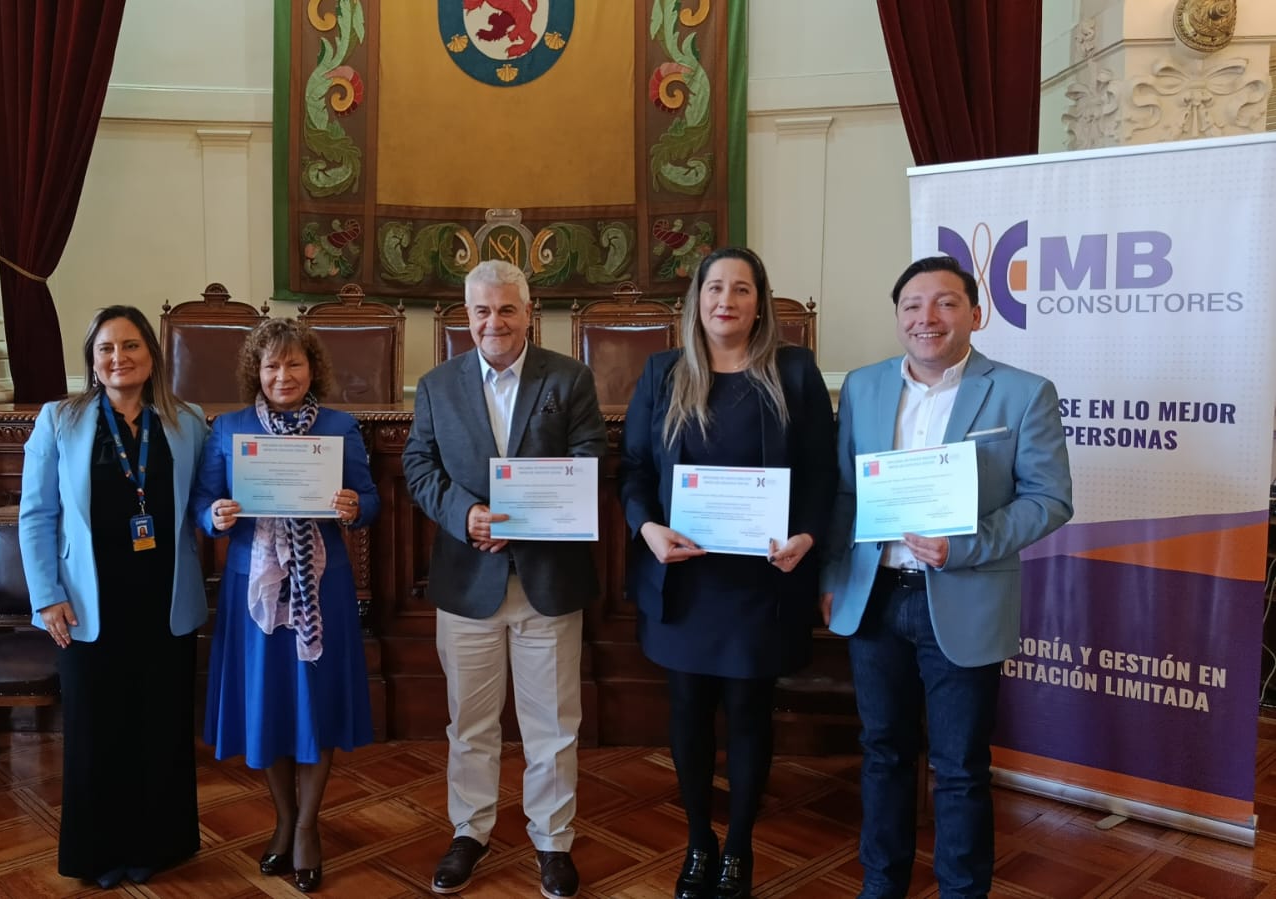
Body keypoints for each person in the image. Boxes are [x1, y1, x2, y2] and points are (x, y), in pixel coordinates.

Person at [821, 255, 1073, 899]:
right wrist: (831, 575)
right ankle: (882, 884)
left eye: (945, 303)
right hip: (875, 598)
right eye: (912, 305)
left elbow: (1049, 499)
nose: (926, 318)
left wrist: (965, 545)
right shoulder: (865, 386)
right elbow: (847, 493)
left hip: (965, 597)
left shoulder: (1022, 392)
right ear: (898, 316)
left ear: (975, 313)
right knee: (882, 751)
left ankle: (962, 891)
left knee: (960, 767)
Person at [621, 247, 837, 899]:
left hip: (761, 583)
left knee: (748, 711)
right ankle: (698, 842)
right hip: (685, 580)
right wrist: (647, 527)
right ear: (696, 299)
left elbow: (824, 474)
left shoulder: (793, 371)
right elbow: (631, 470)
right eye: (714, 287)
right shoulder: (662, 373)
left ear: (758, 302)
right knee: (687, 712)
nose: (726, 300)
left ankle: (737, 847)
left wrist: (807, 535)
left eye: (740, 289)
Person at [402, 259, 607, 899]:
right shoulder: (437, 384)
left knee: (552, 723)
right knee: (470, 722)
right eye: (482, 311)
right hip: (469, 580)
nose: (494, 322)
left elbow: (592, 456)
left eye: (507, 309)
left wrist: (531, 514)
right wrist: (465, 514)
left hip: (547, 578)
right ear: (466, 317)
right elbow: (418, 464)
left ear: (529, 311)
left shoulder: (568, 378)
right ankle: (470, 831)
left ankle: (552, 841)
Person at [19, 305, 210, 890]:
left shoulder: (188, 421)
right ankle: (98, 853)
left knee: (161, 728)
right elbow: (37, 516)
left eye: (130, 346)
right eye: (106, 348)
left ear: (152, 357)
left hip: (164, 601)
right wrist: (47, 597)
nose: (118, 358)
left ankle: (161, 846)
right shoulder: (59, 420)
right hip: (85, 606)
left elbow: (207, 499)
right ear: (92, 360)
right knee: (96, 732)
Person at [192, 318, 379, 894]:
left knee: (315, 703)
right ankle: (282, 818)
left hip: (324, 586)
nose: (283, 375)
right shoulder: (229, 428)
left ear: (312, 368)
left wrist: (353, 507)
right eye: (272, 365)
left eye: (294, 364)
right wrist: (215, 516)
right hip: (255, 591)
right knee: (267, 704)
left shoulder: (340, 427)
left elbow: (370, 500)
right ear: (257, 370)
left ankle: (307, 827)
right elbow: (204, 500)